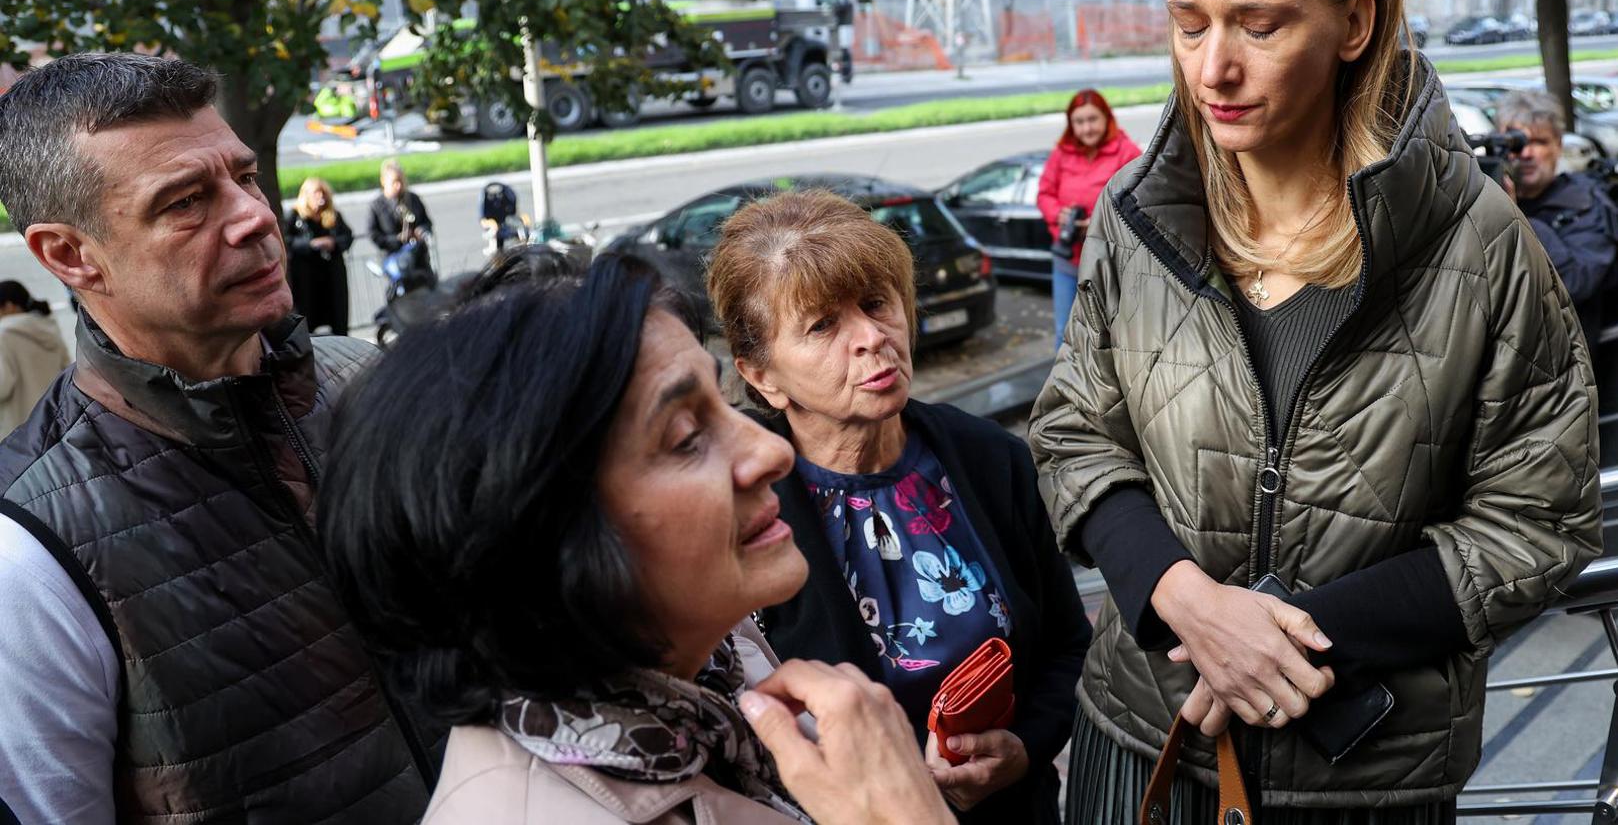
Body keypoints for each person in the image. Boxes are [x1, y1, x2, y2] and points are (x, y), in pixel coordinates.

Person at [1030, 0, 1601, 822]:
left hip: (1364, 780)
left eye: (1259, 24)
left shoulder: (1483, 248)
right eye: (1188, 23)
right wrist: (1184, 600)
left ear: (1354, 20)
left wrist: (1285, 638)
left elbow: (1536, 524)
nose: (1215, 67)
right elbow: (1074, 431)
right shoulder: (1136, 215)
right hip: (1143, 747)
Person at [318, 249, 957, 825]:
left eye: (722, 404)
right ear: (540, 544)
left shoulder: (708, 665)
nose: (769, 451)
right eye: (685, 438)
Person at [0, 53, 440, 823]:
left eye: (245, 177)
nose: (254, 217)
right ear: (68, 255)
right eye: (186, 202)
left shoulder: (368, 383)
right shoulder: (27, 556)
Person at [706, 190, 1091, 823]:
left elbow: (1067, 647)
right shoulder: (739, 502)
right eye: (823, 325)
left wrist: (1022, 748)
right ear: (762, 376)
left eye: (877, 303)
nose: (871, 338)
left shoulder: (990, 458)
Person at [1495, 89, 1618, 345]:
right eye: (1516, 143)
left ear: (1559, 146)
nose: (1526, 153)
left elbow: (1576, 282)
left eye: (1539, 142)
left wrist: (1514, 215)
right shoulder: (1489, 200)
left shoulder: (1587, 201)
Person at [1037, 89, 1143, 345]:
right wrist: (1058, 214)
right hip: (1068, 260)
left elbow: (1141, 200)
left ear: (1107, 118)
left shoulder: (1126, 152)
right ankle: (1066, 385)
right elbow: (1044, 194)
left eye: (1092, 119)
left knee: (1112, 335)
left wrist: (1100, 218)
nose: (1086, 129)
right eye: (1079, 122)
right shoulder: (1062, 153)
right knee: (1066, 333)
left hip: (1110, 263)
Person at [285, 175, 355, 335]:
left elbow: (347, 236)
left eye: (323, 193)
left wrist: (333, 243)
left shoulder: (333, 215)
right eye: (317, 194)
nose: (321, 198)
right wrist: (310, 244)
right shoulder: (295, 216)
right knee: (307, 316)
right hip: (306, 277)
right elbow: (287, 241)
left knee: (337, 315)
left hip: (331, 275)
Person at [0, 281, 70, 436]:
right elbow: (67, 368)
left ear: (9, 306)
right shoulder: (48, 327)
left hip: (21, 429)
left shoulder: (4, 335)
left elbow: (2, 386)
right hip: (56, 420)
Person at [368, 159, 435, 293]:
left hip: (419, 260)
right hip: (394, 261)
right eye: (394, 182)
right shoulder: (376, 205)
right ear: (383, 182)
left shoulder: (413, 199)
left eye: (401, 181)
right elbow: (373, 234)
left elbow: (427, 222)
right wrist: (397, 239)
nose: (398, 186)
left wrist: (421, 231)